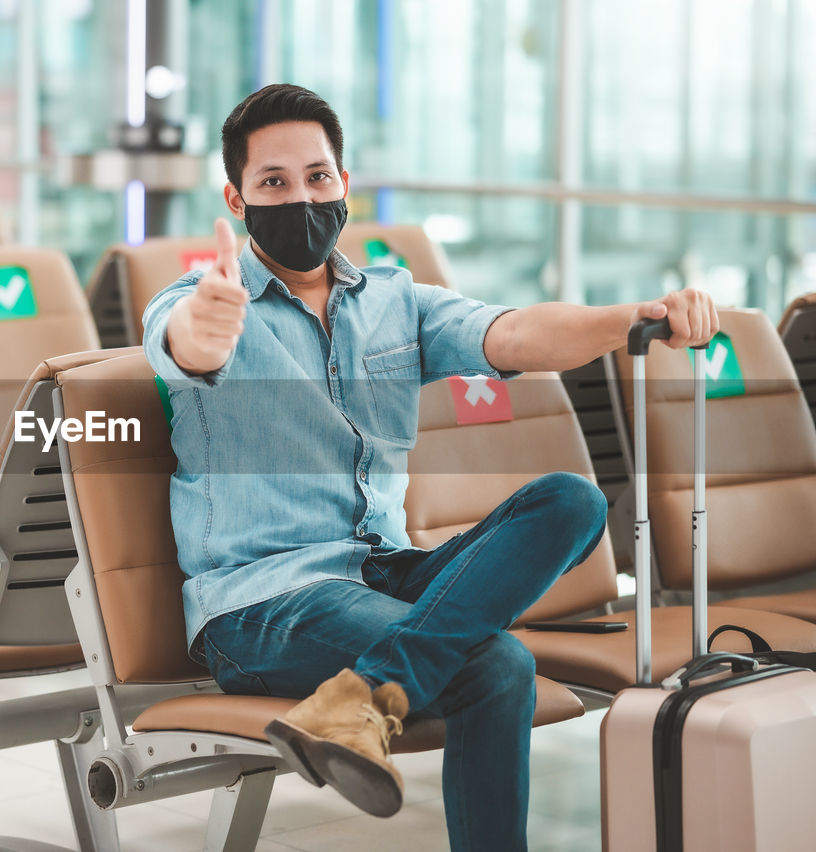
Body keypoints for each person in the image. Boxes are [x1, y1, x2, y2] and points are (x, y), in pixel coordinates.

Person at [141, 83, 718, 852]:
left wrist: (634, 319)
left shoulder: (395, 300)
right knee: (497, 663)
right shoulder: (202, 300)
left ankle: (360, 703)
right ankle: (367, 705)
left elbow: (515, 335)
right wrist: (205, 331)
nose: (301, 196)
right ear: (237, 199)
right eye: (273, 183)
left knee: (572, 502)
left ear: (344, 184)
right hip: (262, 604)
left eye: (317, 177)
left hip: (383, 571)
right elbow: (184, 344)